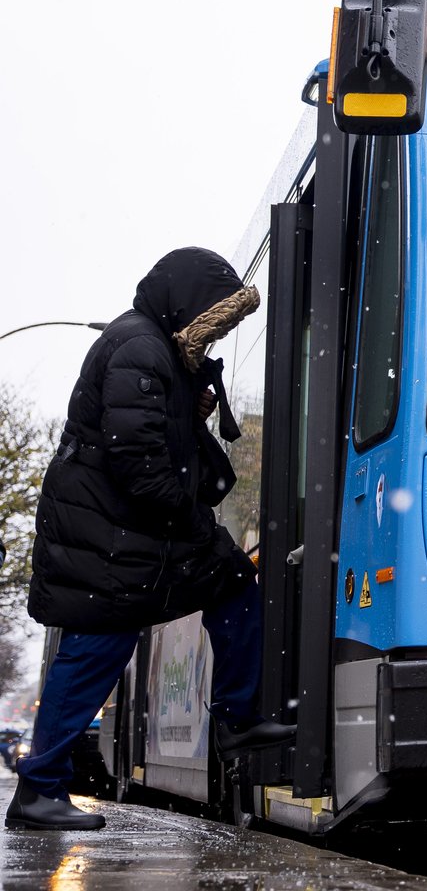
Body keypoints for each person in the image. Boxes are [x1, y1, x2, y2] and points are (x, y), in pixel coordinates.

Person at [6, 247, 295, 832]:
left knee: (231, 582)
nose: (216, 335)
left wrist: (190, 404)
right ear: (189, 305)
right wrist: (192, 522)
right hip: (109, 539)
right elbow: (138, 459)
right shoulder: (140, 346)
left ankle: (236, 719)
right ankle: (38, 791)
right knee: (94, 651)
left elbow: (149, 437)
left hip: (119, 533)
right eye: (215, 320)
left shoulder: (153, 347)